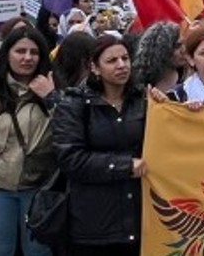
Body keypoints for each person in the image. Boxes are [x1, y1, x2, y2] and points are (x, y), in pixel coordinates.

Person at [52, 34, 145, 256]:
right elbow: (70, 159)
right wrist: (125, 166)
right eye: (112, 61)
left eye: (125, 58)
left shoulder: (144, 100)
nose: (121, 65)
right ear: (94, 67)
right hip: (94, 224)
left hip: (138, 218)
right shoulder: (74, 104)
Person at [0, 27, 57, 256]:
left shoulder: (54, 88)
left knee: (38, 252)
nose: (27, 58)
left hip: (39, 187)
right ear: (7, 54)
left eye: (34, 52)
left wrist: (51, 98)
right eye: (20, 51)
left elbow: (69, 131)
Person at [134, 21, 184, 93]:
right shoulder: (140, 84)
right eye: (177, 46)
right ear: (161, 50)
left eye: (184, 44)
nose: (183, 51)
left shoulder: (189, 81)